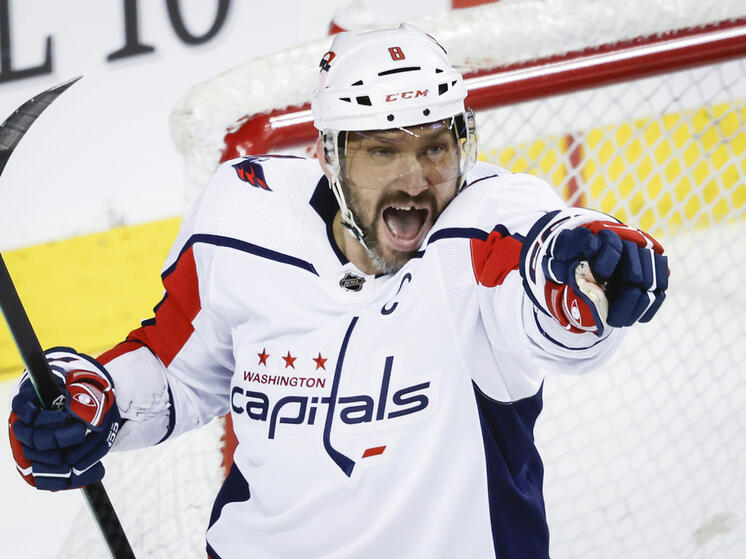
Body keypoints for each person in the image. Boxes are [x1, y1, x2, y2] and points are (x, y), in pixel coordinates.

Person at [8, 24, 668, 559]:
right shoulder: (245, 215)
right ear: (328, 156)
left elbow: (543, 277)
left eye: (436, 148)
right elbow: (177, 370)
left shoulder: (482, 226)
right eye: (383, 151)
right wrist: (92, 399)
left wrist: (586, 273)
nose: (416, 179)